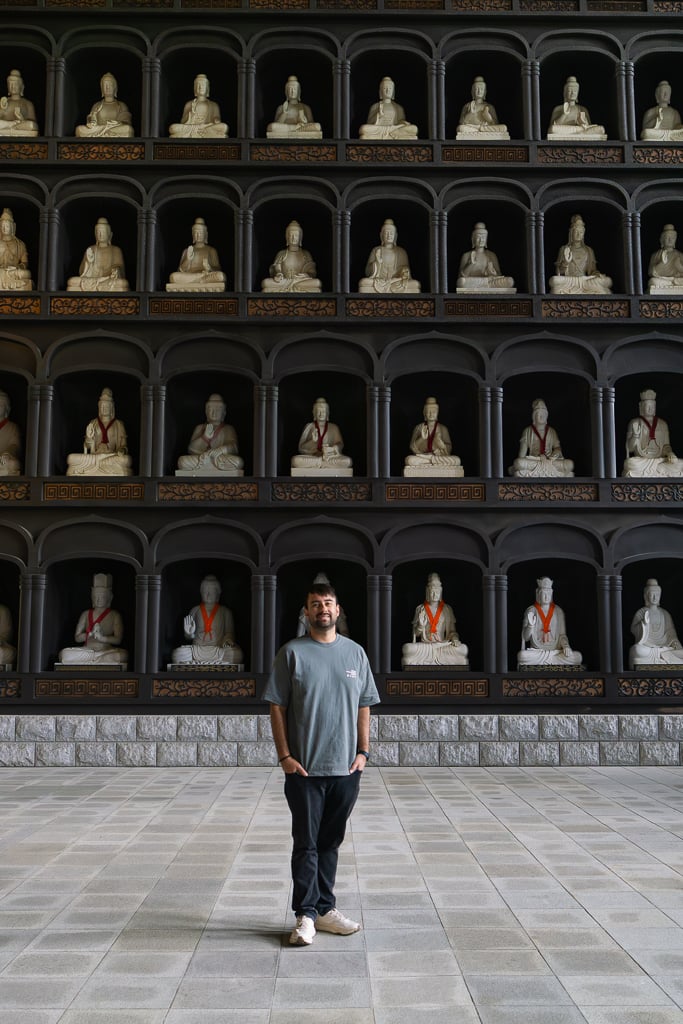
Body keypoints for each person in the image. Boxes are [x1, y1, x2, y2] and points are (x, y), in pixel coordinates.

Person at [262, 579, 380, 946]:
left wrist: (363, 753)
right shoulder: (291, 653)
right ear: (306, 612)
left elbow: (365, 704)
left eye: (328, 603)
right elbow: (276, 706)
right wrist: (284, 757)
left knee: (330, 842)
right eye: (315, 604)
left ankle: (326, 909)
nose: (322, 610)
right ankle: (304, 915)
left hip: (345, 769)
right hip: (305, 769)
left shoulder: (355, 654)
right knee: (306, 843)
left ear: (338, 609)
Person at [171, 574, 244, 667]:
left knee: (236, 654)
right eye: (205, 591)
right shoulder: (195, 610)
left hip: (218, 650)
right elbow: (189, 637)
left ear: (218, 594)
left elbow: (229, 632)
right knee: (178, 654)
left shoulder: (225, 612)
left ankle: (201, 663)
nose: (208, 594)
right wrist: (189, 634)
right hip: (197, 650)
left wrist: (227, 641)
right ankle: (213, 663)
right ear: (201, 593)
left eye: (212, 591)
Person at [58, 572, 128, 666]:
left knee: (123, 655)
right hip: (87, 650)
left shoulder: (114, 615)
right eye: (96, 596)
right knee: (64, 654)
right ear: (92, 598)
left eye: (102, 597)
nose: (99, 599)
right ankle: (98, 660)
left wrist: (102, 638)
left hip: (105, 650)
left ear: (109, 598)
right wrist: (89, 635)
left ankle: (96, 660)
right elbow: (77, 638)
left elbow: (118, 640)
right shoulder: (86, 614)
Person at [401, 572, 469, 667]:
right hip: (425, 647)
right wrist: (420, 625)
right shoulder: (421, 609)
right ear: (427, 592)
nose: (434, 594)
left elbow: (452, 632)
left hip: (443, 645)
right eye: (432, 591)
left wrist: (455, 639)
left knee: (463, 649)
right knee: (407, 648)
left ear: (441, 592)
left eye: (437, 592)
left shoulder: (447, 609)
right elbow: (415, 635)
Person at [517, 576, 583, 668]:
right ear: (538, 594)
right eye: (544, 593)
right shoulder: (531, 610)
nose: (546, 596)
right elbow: (525, 637)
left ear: (552, 594)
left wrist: (566, 646)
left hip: (555, 652)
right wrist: (530, 626)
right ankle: (550, 662)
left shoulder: (558, 611)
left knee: (578, 657)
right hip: (537, 653)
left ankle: (548, 662)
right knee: (522, 656)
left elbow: (562, 635)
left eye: (548, 593)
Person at [66, 387, 133, 477]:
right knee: (71, 458)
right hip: (94, 457)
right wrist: (89, 438)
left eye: (107, 406)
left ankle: (90, 470)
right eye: (102, 406)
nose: (104, 408)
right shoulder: (93, 423)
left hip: (111, 456)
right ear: (99, 407)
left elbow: (124, 446)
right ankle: (108, 470)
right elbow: (88, 447)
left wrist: (122, 450)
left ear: (112, 408)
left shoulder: (118, 424)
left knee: (126, 460)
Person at [176, 394, 243, 475]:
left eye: (218, 410)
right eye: (211, 409)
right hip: (202, 459)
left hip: (219, 458)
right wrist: (204, 437)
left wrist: (221, 450)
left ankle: (210, 466)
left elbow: (234, 447)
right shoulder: (200, 428)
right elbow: (191, 449)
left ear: (224, 413)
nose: (214, 412)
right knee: (182, 461)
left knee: (238, 462)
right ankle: (210, 466)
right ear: (206, 412)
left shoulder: (228, 428)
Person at [623, 388, 683, 478]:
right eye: (648, 406)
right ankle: (659, 470)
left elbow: (666, 446)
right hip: (642, 460)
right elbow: (630, 449)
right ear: (641, 406)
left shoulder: (663, 424)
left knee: (680, 463)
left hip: (660, 459)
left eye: (652, 406)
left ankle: (658, 470)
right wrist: (635, 436)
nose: (650, 408)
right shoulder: (635, 422)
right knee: (630, 463)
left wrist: (670, 453)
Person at [548, 214, 612, 295]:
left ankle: (584, 289)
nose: (579, 235)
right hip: (570, 282)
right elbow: (560, 273)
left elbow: (592, 271)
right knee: (554, 280)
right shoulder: (565, 249)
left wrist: (597, 274)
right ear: (571, 233)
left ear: (584, 234)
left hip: (585, 281)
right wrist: (566, 262)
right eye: (576, 232)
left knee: (608, 281)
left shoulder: (589, 250)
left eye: (581, 232)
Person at [509, 398, 574, 477]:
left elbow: (557, 448)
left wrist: (555, 453)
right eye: (538, 413)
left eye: (543, 413)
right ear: (534, 416)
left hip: (550, 461)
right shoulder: (528, 431)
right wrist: (518, 464)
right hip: (535, 460)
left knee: (570, 464)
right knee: (518, 463)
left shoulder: (551, 431)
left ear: (547, 416)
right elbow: (522, 455)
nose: (541, 416)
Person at [629, 579, 683, 669]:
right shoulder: (641, 612)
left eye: (657, 595)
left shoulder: (665, 614)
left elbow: (671, 634)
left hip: (665, 646)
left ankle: (665, 655)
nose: (655, 597)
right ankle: (664, 656)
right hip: (647, 648)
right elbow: (633, 630)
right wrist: (643, 624)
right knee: (636, 650)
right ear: (646, 596)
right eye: (652, 594)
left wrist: (675, 643)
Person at [291, 397, 353, 474]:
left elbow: (340, 444)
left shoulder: (334, 427)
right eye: (318, 411)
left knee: (348, 461)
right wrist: (313, 441)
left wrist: (333, 449)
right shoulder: (310, 427)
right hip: (313, 457)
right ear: (314, 413)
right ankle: (322, 463)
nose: (321, 414)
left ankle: (320, 464)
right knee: (295, 460)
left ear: (327, 413)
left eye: (323, 412)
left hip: (329, 457)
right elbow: (301, 448)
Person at [404, 396, 463, 476]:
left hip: (438, 457)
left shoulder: (443, 428)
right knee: (409, 460)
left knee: (456, 460)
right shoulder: (419, 427)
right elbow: (412, 447)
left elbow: (448, 449)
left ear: (437, 413)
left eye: (434, 411)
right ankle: (429, 460)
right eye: (428, 411)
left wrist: (441, 444)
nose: (431, 414)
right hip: (422, 456)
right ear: (424, 413)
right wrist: (422, 438)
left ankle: (430, 460)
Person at [66, 217, 130, 292]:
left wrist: (116, 271)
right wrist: (88, 262)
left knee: (122, 283)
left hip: (108, 280)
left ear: (110, 234)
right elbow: (82, 272)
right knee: (72, 281)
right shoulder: (91, 249)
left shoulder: (116, 250)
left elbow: (120, 269)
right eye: (98, 232)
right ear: (95, 234)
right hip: (92, 279)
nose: (100, 234)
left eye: (103, 232)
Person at [358, 219, 420, 294]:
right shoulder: (376, 250)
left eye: (391, 233)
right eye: (386, 233)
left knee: (415, 284)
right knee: (363, 282)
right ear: (381, 235)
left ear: (395, 236)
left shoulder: (401, 251)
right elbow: (367, 272)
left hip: (397, 281)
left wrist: (405, 271)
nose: (389, 235)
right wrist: (377, 263)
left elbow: (406, 271)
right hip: (379, 281)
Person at [166, 218, 227, 292]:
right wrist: (188, 260)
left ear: (205, 234)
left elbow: (217, 269)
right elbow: (180, 270)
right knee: (173, 277)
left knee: (220, 276)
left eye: (201, 233)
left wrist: (209, 268)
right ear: (192, 235)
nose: (198, 235)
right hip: (190, 276)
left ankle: (200, 281)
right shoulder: (187, 250)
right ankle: (200, 282)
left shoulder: (211, 250)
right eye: (196, 233)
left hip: (205, 275)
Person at [261, 221, 322, 292]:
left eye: (296, 235)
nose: (293, 238)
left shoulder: (306, 254)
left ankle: (293, 287)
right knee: (265, 283)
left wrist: (306, 275)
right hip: (284, 282)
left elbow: (312, 272)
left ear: (300, 238)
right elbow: (276, 269)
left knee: (317, 283)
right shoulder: (282, 253)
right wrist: (278, 274)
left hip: (299, 282)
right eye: (291, 235)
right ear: (287, 237)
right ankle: (294, 288)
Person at [455, 222, 515, 293]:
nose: (481, 240)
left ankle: (487, 286)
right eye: (478, 237)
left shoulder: (491, 255)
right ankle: (486, 286)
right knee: (461, 282)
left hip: (488, 281)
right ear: (473, 239)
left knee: (510, 281)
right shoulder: (467, 255)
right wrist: (470, 264)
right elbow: (461, 277)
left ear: (486, 239)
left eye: (483, 237)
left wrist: (492, 273)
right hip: (473, 282)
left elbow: (499, 275)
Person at [75, 72, 134, 138]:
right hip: (99, 129)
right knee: (79, 129)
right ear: (102, 88)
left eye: (110, 85)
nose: (107, 87)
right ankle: (106, 135)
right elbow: (91, 122)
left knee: (128, 129)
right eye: (105, 85)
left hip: (113, 129)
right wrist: (92, 121)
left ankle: (102, 135)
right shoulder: (97, 105)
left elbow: (126, 122)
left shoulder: (121, 105)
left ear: (115, 87)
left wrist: (116, 123)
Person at [169, 73, 228, 138]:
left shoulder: (213, 105)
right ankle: (203, 133)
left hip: (206, 127)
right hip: (191, 128)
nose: (200, 87)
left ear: (207, 88)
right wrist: (190, 115)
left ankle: (204, 132)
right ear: (195, 88)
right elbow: (183, 121)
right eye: (198, 85)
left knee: (224, 127)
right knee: (172, 128)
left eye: (203, 85)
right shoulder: (189, 104)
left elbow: (217, 120)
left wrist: (216, 120)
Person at [547, 76, 606, 140]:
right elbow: (553, 127)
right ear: (565, 93)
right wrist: (564, 114)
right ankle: (580, 135)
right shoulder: (558, 108)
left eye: (575, 91)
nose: (572, 93)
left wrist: (582, 123)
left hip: (580, 130)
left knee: (601, 129)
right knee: (553, 129)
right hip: (565, 130)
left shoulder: (582, 109)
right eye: (570, 91)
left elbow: (587, 126)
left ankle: (581, 134)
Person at [296, 573, 350, 638]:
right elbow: (300, 634)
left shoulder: (337, 608)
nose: (323, 609)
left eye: (327, 603)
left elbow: (344, 632)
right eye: (316, 604)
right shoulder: (305, 609)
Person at [0, 207, 33, 291]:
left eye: (7, 226)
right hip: (0, 271)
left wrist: (17, 267)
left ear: (12, 227)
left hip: (14, 272)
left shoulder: (20, 244)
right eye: (2, 226)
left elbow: (25, 263)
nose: (4, 228)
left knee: (27, 274)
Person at [0, 69, 39, 137]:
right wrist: (1, 108)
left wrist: (21, 119)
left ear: (22, 87)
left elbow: (33, 124)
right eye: (10, 84)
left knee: (31, 125)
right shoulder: (4, 102)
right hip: (5, 127)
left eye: (16, 84)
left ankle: (13, 128)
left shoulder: (27, 103)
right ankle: (12, 126)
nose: (13, 87)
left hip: (20, 127)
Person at [647, 224, 683, 293]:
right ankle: (671, 284)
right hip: (663, 280)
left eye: (672, 238)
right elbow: (651, 273)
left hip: (677, 280)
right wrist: (661, 264)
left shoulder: (680, 255)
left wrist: (680, 267)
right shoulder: (656, 255)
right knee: (653, 281)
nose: (670, 240)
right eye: (667, 238)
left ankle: (673, 283)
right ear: (662, 240)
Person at [0, 389, 21, 476]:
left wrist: (7, 454)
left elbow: (14, 445)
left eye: (0, 405)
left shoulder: (12, 427)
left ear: (6, 409)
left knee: (13, 464)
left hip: (3, 460)